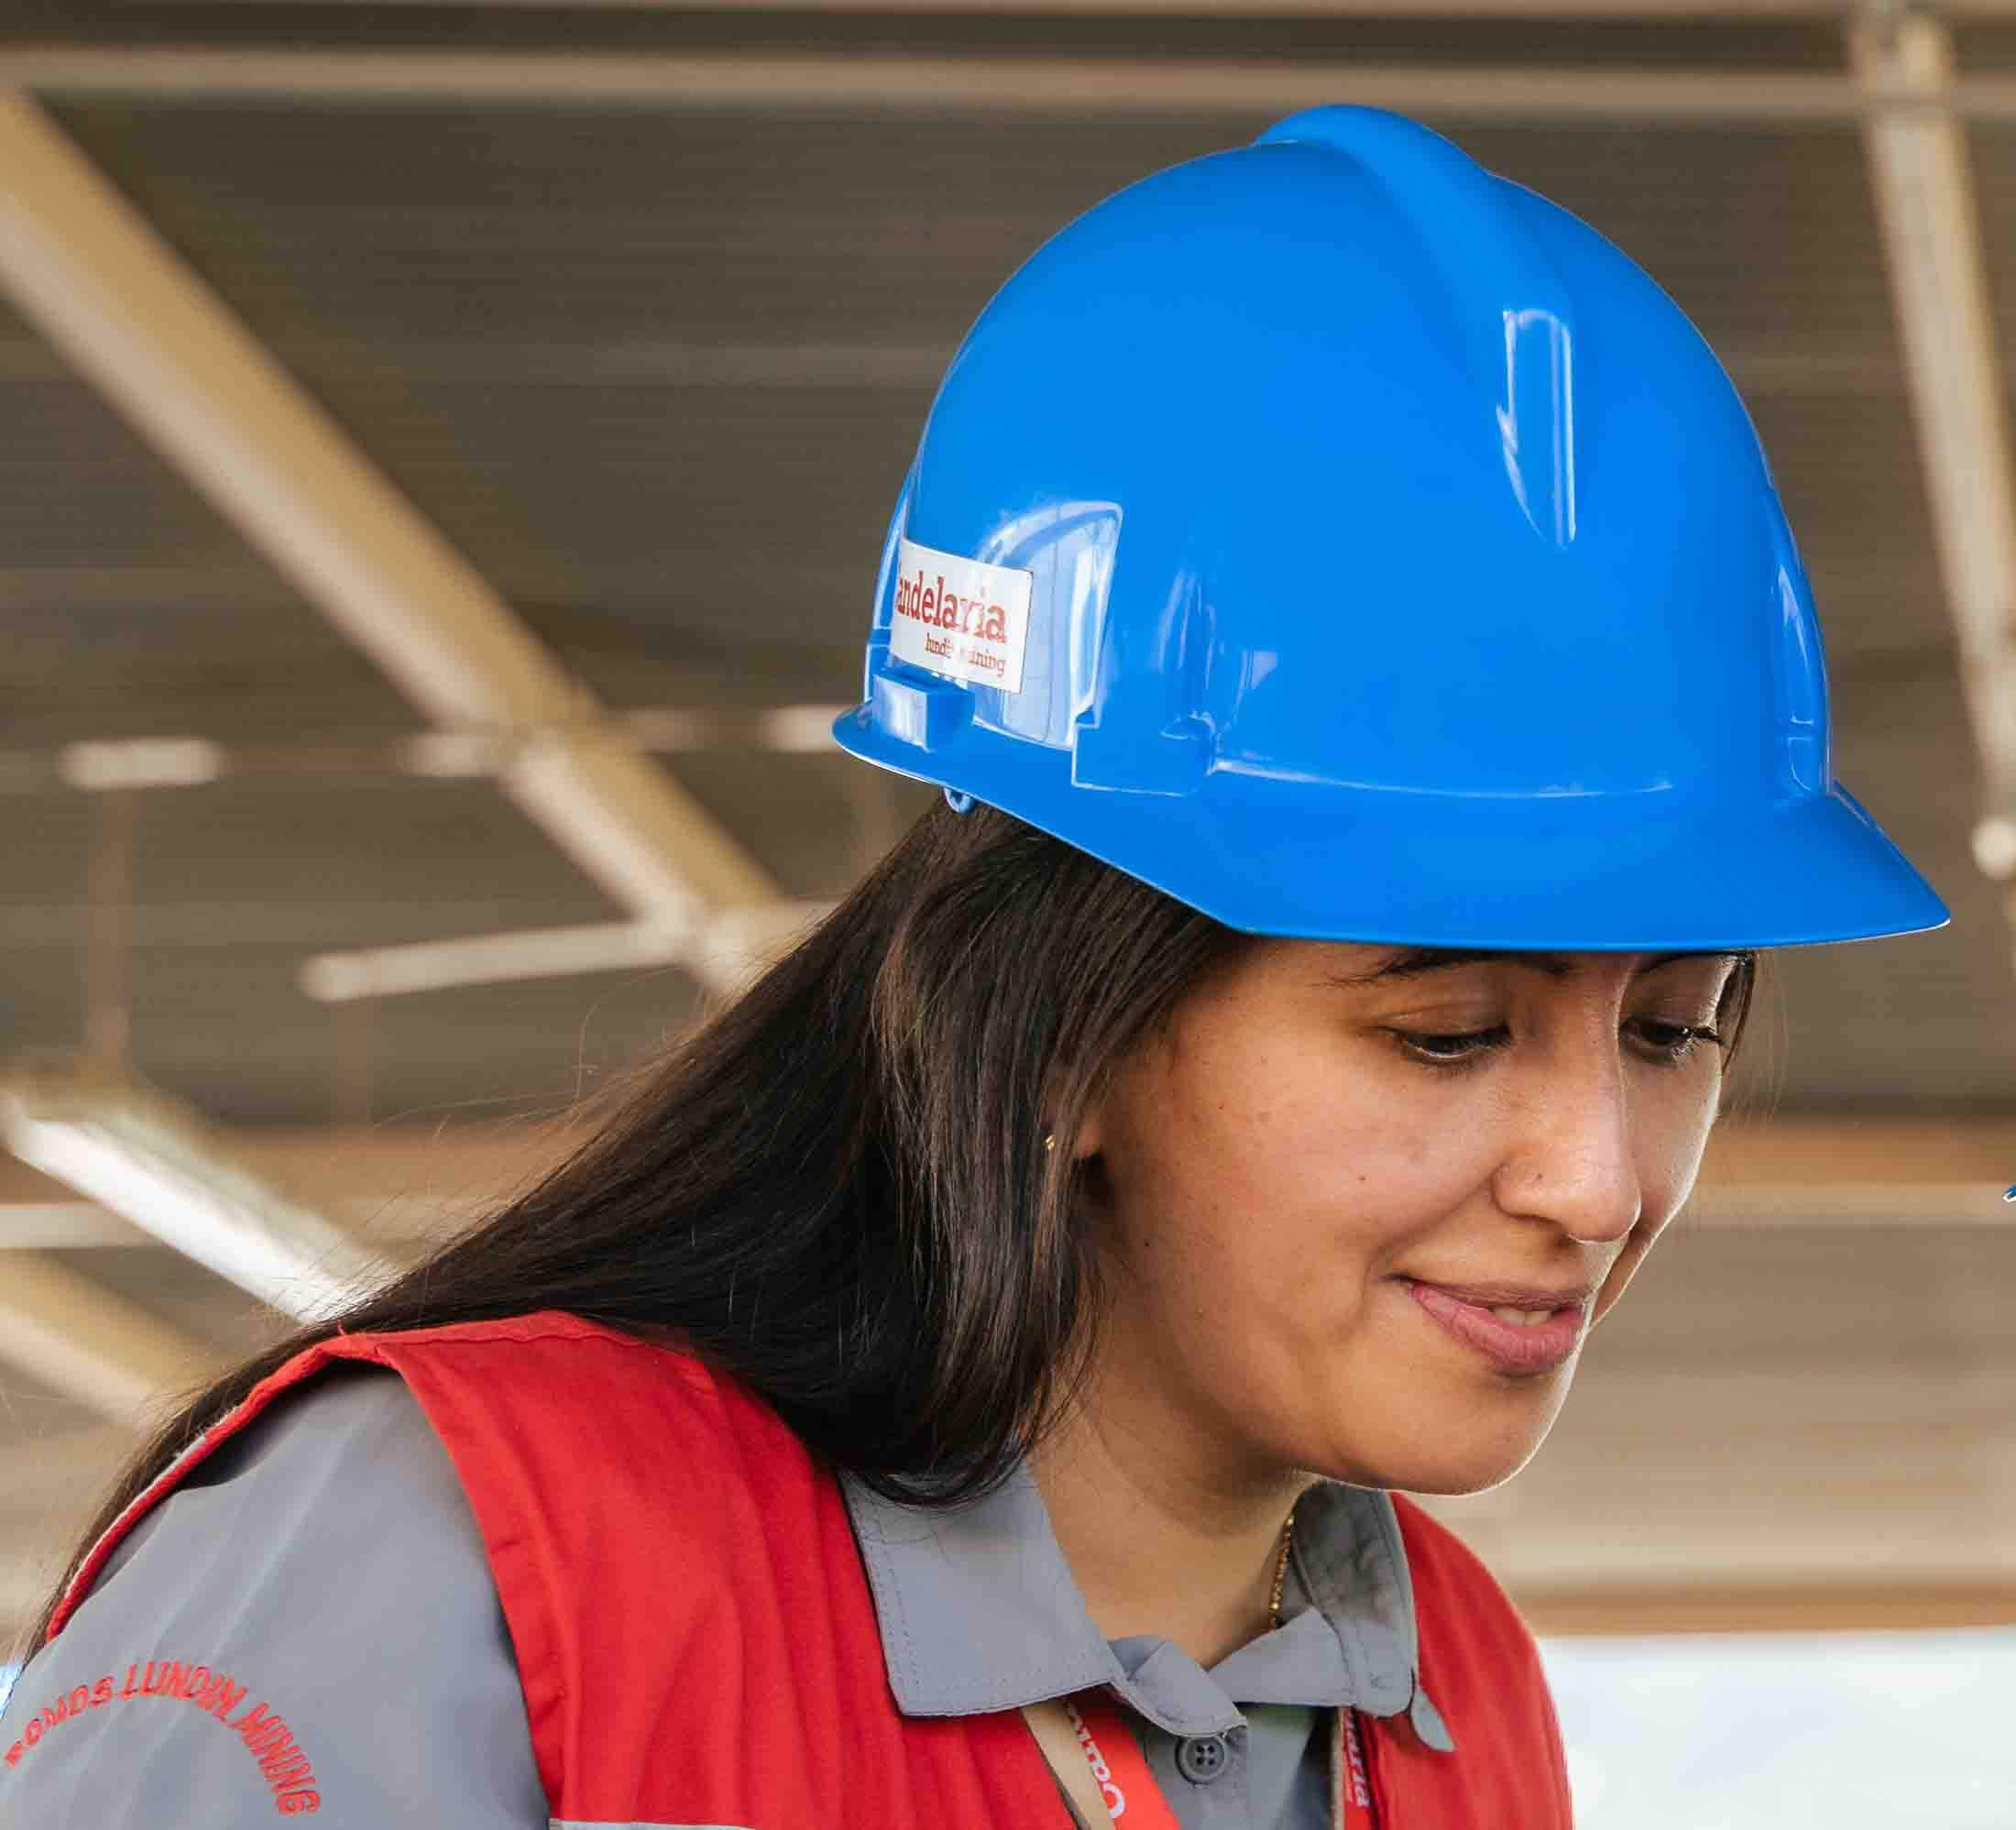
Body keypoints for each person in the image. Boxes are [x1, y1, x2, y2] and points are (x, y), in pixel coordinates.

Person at [0, 104, 1946, 1830]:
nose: (1596, 1180)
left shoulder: (1448, 1705)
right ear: (1059, 1033)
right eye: (1442, 1035)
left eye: (1671, 1025)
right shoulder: (461, 1562)